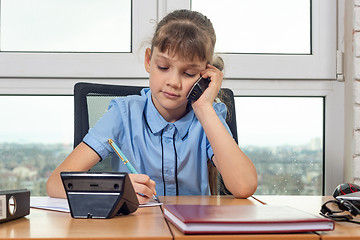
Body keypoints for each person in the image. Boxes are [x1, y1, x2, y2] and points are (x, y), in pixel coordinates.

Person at [46, 9, 257, 204]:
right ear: (149, 60)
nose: (173, 82)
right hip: (135, 230)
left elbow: (244, 185)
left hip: (192, 231)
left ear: (205, 75)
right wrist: (117, 190)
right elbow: (56, 184)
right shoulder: (123, 114)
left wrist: (204, 108)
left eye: (189, 73)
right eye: (163, 67)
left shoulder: (209, 116)